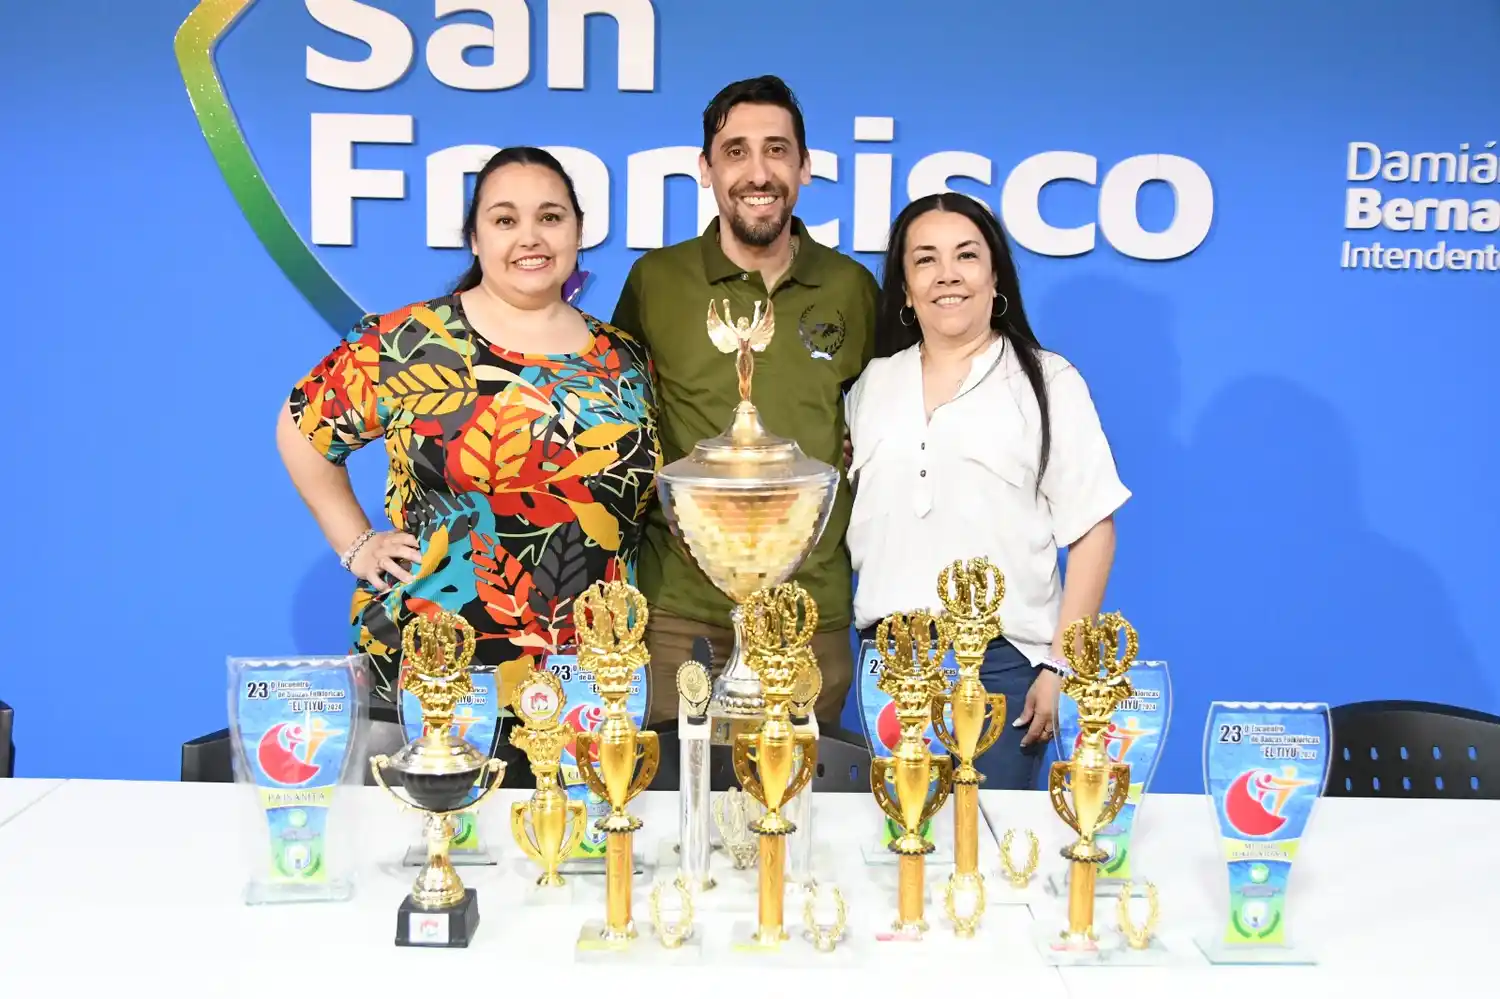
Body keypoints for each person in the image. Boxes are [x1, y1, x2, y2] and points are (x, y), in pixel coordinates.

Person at [277, 147, 661, 737]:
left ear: (579, 231)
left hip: (591, 678)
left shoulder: (624, 357)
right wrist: (356, 544)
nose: (529, 237)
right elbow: (303, 429)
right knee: (436, 830)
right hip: (436, 671)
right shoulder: (410, 341)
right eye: (505, 220)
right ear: (475, 238)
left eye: (550, 217)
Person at [610, 76, 878, 730]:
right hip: (680, 613)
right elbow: (618, 417)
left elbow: (890, 416)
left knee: (798, 814)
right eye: (736, 151)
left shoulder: (851, 287)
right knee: (674, 808)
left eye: (777, 150)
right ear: (705, 168)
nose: (758, 172)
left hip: (810, 613)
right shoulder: (656, 282)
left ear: (806, 166)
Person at [844, 193, 1130, 789]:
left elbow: (1093, 531)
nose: (947, 274)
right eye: (925, 260)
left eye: (966, 255)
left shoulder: (1047, 381)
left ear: (994, 274)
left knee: (989, 860)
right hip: (890, 666)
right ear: (903, 286)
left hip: (1002, 668)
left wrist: (1059, 665)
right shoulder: (870, 385)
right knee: (900, 851)